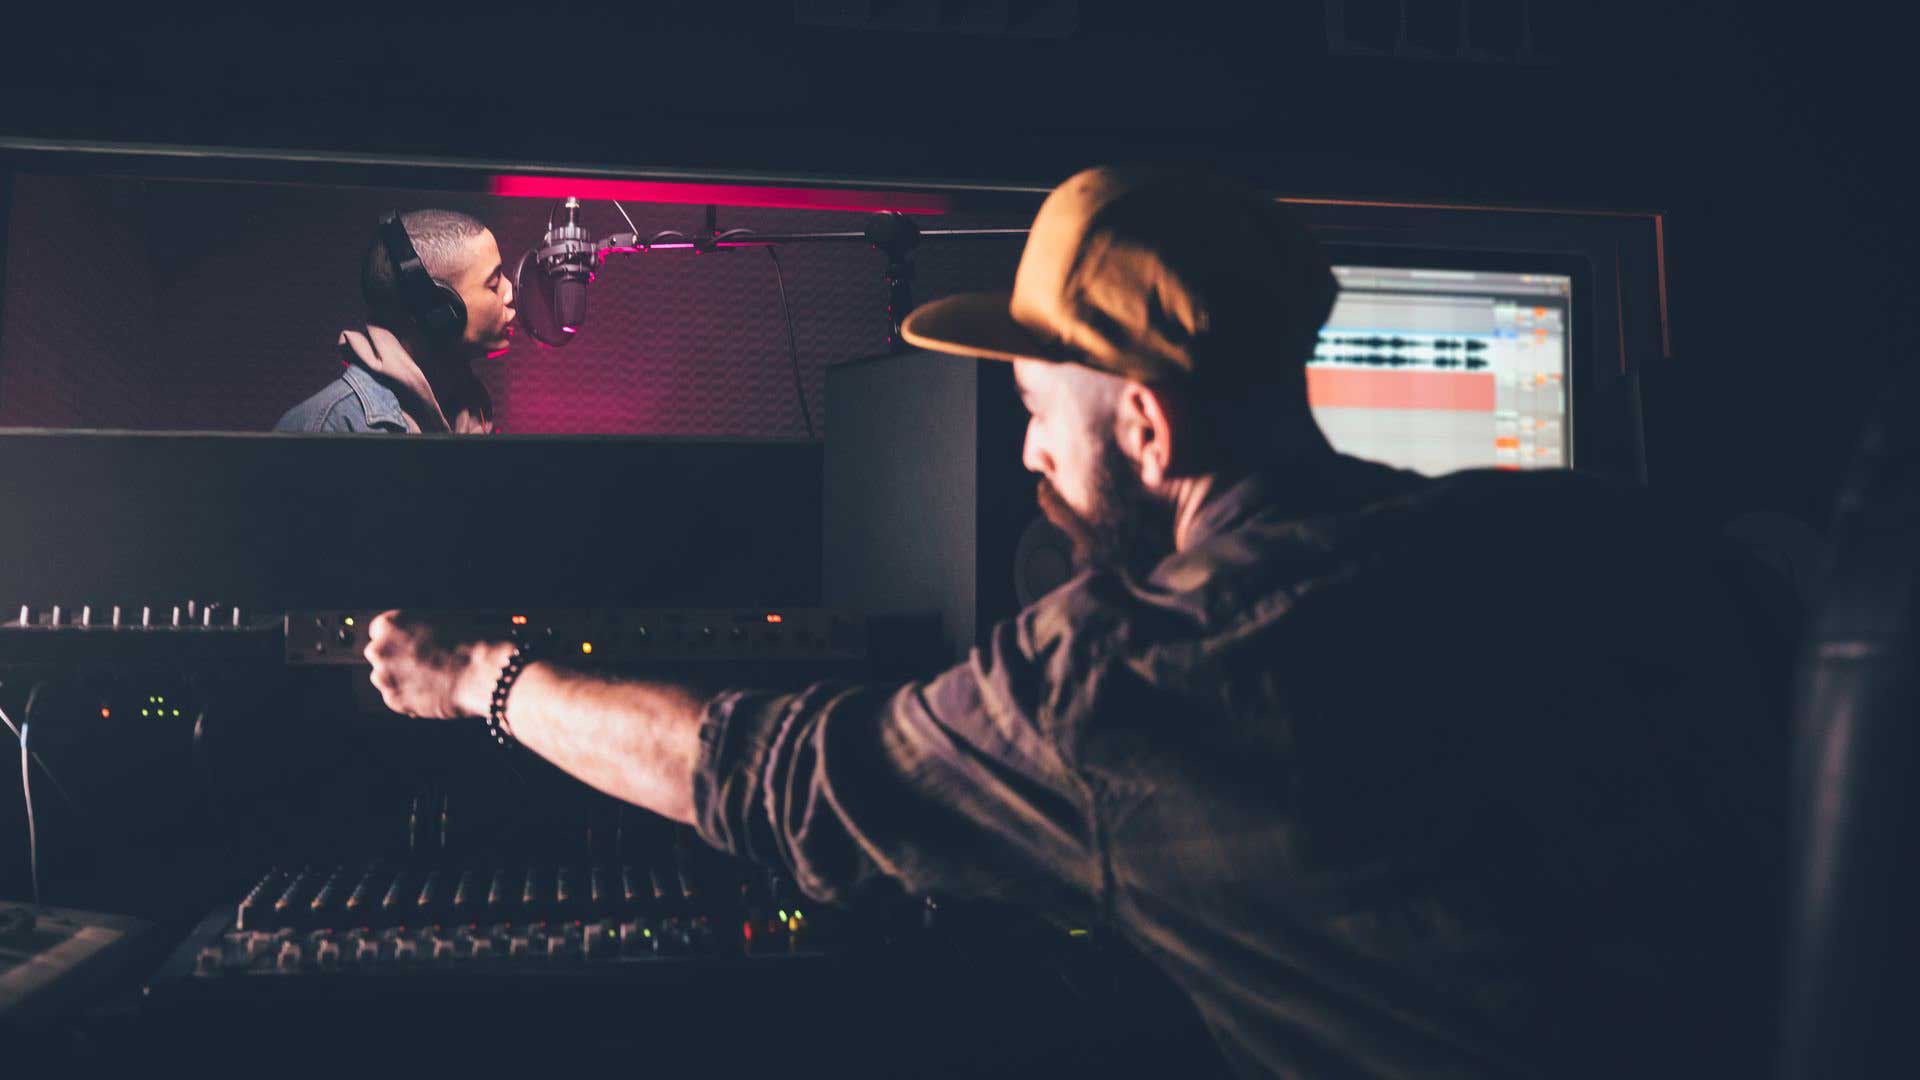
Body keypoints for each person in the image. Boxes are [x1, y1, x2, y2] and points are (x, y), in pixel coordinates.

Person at [361, 167, 1788, 1077]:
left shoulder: (1128, 678)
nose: (1030, 452)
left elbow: (771, 779)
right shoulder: (1593, 538)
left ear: (1150, 428)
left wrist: (481, 675)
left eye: (1041, 411)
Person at [275, 209, 514, 433]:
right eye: (494, 284)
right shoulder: (331, 426)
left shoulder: (471, 410)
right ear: (436, 308)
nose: (510, 291)